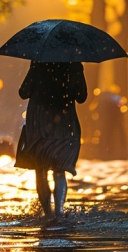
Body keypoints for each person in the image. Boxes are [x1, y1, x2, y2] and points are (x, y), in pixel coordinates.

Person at [16, 61, 87, 221]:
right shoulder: (73, 64)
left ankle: (47, 213)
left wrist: (35, 71)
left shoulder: (38, 63)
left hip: (39, 121)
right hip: (64, 121)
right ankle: (59, 212)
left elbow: (23, 92)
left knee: (40, 169)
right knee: (60, 168)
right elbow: (82, 97)